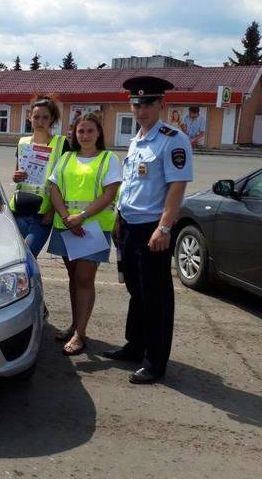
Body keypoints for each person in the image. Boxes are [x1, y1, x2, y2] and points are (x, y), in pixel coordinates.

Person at [103, 76, 193, 384]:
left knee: (156, 296)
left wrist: (165, 227)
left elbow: (176, 187)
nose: (140, 110)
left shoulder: (172, 138)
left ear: (160, 104)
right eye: (136, 104)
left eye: (147, 104)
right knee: (134, 290)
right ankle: (135, 345)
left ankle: (155, 361)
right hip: (129, 224)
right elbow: (129, 186)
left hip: (152, 229)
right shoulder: (137, 138)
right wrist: (117, 219)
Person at [47, 112, 121, 355]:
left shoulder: (109, 158)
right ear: (74, 135)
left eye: (90, 131)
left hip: (92, 228)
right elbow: (54, 187)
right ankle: (75, 324)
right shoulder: (66, 158)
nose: (85, 135)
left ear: (99, 133)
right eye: (81, 131)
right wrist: (67, 217)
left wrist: (82, 216)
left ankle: (80, 333)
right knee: (73, 277)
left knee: (84, 278)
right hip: (67, 225)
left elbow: (109, 193)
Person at [10, 95, 68, 258]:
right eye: (36, 117)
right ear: (29, 117)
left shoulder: (61, 143)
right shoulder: (22, 142)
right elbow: (16, 176)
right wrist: (16, 176)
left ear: (52, 119)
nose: (40, 121)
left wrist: (53, 211)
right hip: (19, 209)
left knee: (27, 255)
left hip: (43, 213)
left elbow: (65, 182)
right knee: (14, 256)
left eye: (45, 117)